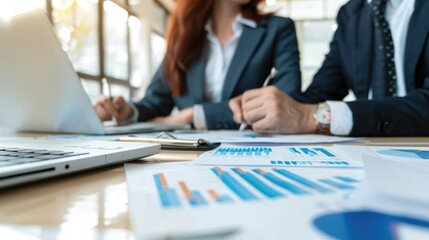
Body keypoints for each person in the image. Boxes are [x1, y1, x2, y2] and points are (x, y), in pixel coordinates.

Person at [230, 0, 429, 136]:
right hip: (368, 153)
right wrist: (267, 107)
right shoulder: (351, 14)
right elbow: (322, 90)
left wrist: (314, 117)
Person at [94, 0, 301, 130]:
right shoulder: (185, 35)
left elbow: (286, 98)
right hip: (186, 155)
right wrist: (128, 111)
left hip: (252, 150)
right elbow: (156, 100)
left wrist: (197, 115)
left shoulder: (277, 29)